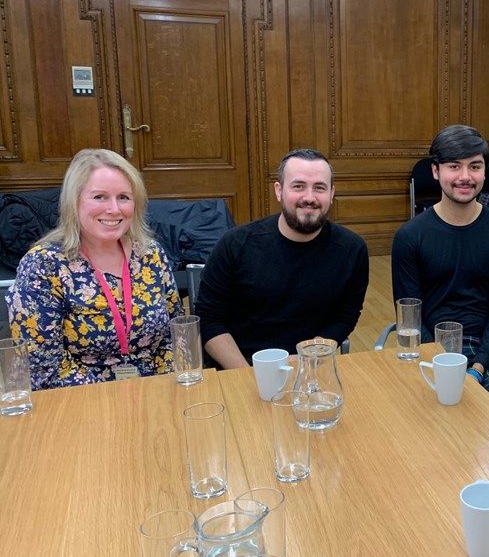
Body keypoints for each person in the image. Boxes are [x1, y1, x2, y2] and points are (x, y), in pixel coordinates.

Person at [392, 125, 489, 434]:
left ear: (485, 171)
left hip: (488, 354)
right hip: (431, 351)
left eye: (475, 166)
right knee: (416, 431)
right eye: (453, 166)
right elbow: (410, 314)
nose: (464, 176)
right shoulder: (410, 236)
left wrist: (477, 368)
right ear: (435, 170)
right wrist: (443, 363)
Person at [6, 149, 183, 389]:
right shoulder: (44, 265)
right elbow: (42, 367)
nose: (114, 209)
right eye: (99, 197)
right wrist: (112, 400)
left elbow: (175, 336)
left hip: (154, 392)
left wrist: (161, 389)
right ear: (73, 201)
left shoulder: (151, 254)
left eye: (123, 197)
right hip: (80, 401)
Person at [197, 149, 369, 367]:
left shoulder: (352, 249)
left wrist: (311, 355)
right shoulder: (235, 244)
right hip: (240, 368)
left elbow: (346, 315)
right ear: (279, 191)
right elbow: (209, 319)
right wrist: (250, 374)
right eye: (298, 186)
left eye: (320, 188)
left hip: (311, 367)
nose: (309, 198)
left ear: (332, 193)